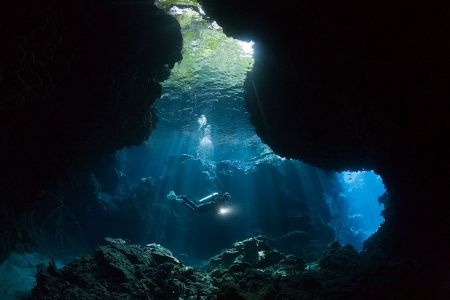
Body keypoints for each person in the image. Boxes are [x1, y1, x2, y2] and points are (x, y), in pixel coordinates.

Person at [166, 191, 231, 214]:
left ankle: (184, 202)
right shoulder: (222, 200)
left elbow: (216, 208)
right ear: (226, 197)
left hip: (209, 208)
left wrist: (218, 211)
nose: (228, 199)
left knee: (195, 210)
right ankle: (185, 199)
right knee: (196, 208)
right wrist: (219, 211)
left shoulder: (222, 200)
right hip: (208, 206)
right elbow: (216, 206)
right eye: (228, 198)